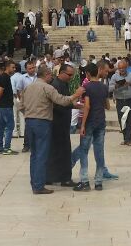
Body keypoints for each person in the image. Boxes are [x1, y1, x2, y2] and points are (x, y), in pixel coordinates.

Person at [22, 65, 86, 194]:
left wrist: (29, 114)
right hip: (42, 122)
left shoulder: (29, 87)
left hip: (30, 122)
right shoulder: (47, 87)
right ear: (46, 75)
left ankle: (36, 183)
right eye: (50, 75)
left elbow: (20, 105)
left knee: (34, 154)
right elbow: (61, 101)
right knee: (41, 154)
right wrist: (76, 95)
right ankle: (39, 186)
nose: (52, 77)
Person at [73, 62, 111, 191]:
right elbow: (108, 106)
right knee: (99, 151)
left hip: (89, 122)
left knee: (84, 151)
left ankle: (84, 181)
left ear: (88, 73)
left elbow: (87, 106)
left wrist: (82, 125)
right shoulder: (104, 87)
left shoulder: (87, 87)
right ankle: (98, 182)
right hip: (101, 122)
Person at [48, 62, 77, 187]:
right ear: (62, 73)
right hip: (57, 122)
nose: (71, 77)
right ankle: (64, 178)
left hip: (62, 122)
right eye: (69, 75)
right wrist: (73, 103)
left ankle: (53, 177)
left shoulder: (63, 84)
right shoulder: (56, 85)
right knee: (62, 152)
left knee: (59, 151)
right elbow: (59, 103)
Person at [109, 58, 131, 146]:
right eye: (120, 68)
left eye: (123, 68)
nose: (121, 70)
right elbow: (109, 88)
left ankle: (129, 139)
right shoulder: (114, 77)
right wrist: (116, 86)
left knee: (129, 119)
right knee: (121, 119)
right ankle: (125, 138)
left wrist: (130, 84)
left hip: (130, 100)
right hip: (120, 100)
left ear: (126, 67)